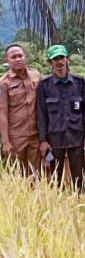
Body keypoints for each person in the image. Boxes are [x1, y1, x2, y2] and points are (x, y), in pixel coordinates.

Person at [37, 45, 85, 191]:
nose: (59, 62)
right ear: (50, 62)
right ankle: (56, 205)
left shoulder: (79, 81)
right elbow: (41, 114)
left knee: (79, 175)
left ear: (67, 59)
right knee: (53, 174)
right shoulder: (44, 84)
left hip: (76, 138)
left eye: (61, 58)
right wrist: (43, 140)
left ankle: (79, 204)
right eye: (55, 59)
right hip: (53, 141)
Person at [0, 44, 42, 176]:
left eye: (20, 56)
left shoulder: (36, 76)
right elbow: (2, 113)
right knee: (16, 177)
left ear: (25, 57)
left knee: (35, 176)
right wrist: (5, 141)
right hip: (16, 138)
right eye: (13, 57)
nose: (18, 59)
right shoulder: (4, 83)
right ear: (6, 60)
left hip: (36, 137)